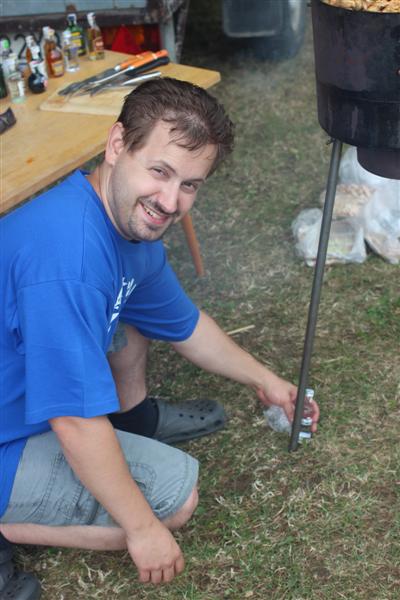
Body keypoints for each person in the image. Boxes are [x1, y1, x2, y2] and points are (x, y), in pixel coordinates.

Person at [0, 77, 319, 596]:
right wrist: (142, 529)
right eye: (160, 172)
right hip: (12, 434)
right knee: (175, 499)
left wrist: (266, 380)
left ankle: (131, 422)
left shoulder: (121, 223)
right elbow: (74, 420)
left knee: (132, 312)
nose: (171, 202)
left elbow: (183, 324)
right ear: (117, 144)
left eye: (189, 184)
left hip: (24, 398)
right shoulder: (70, 261)